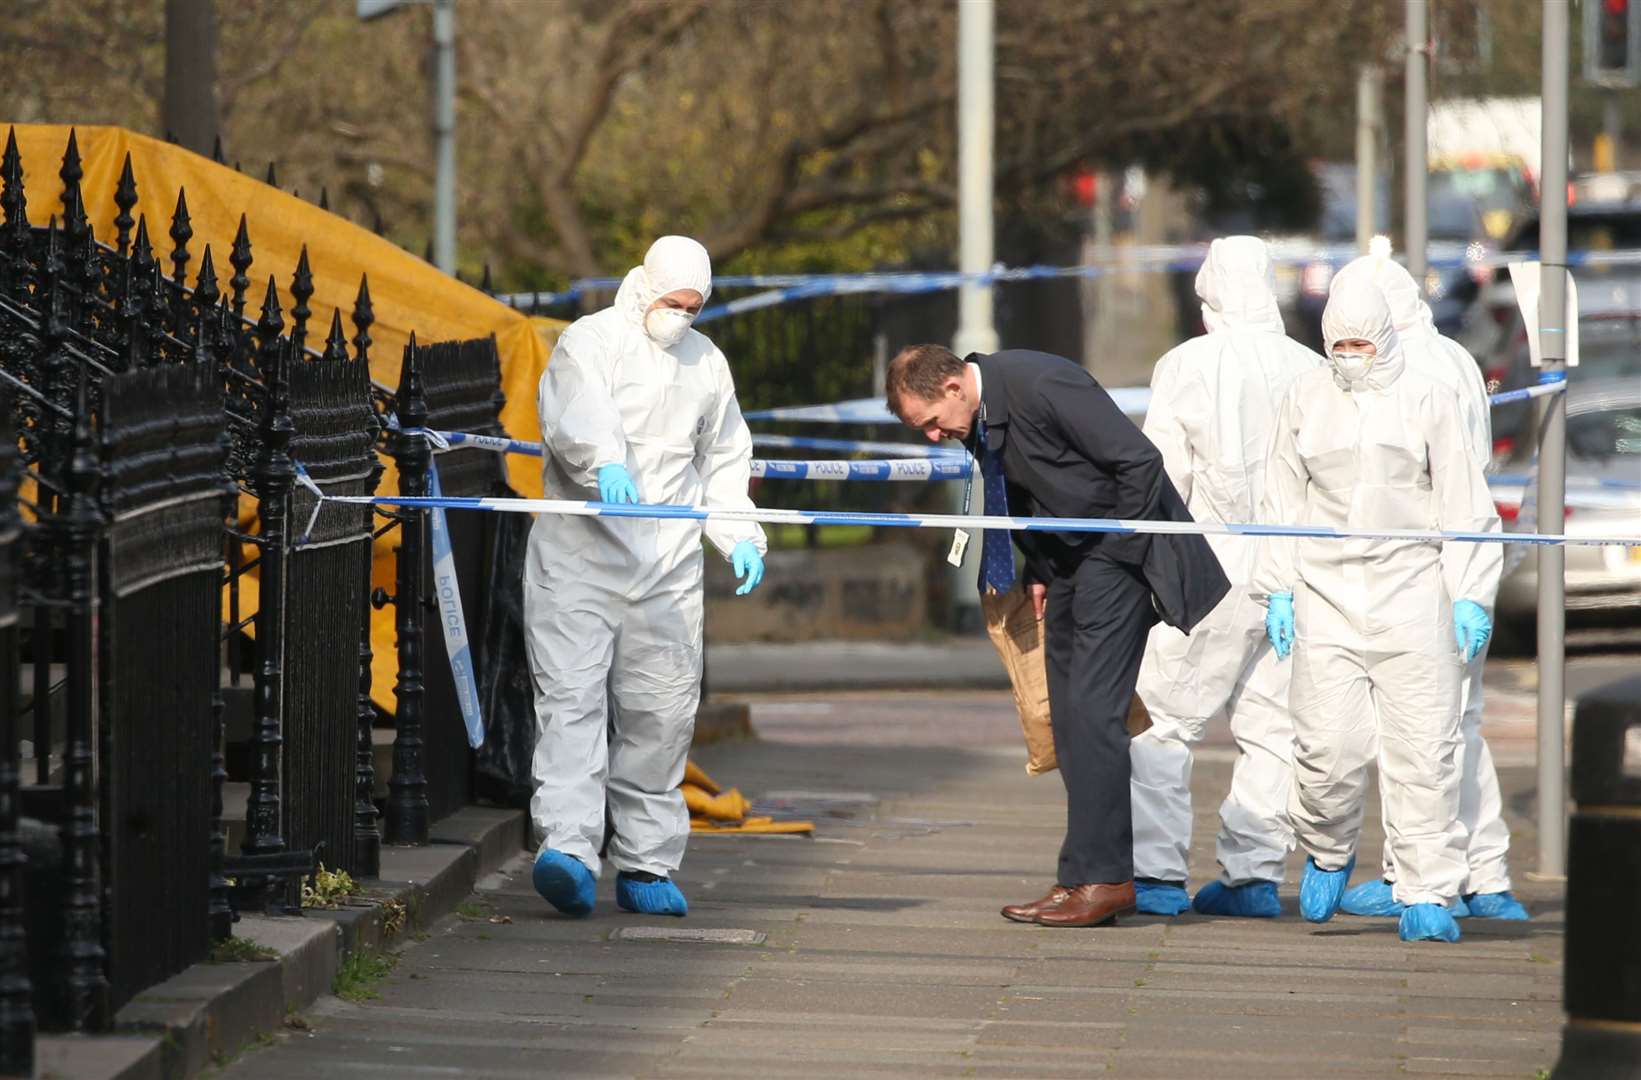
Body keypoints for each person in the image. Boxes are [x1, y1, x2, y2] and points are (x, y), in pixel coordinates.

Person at [886, 344, 1228, 928]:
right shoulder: (978, 411)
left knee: (1095, 714)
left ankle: (1108, 880)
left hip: (1113, 556)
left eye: (931, 424)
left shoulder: (1041, 383)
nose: (934, 438)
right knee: (1068, 718)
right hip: (1068, 563)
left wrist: (1118, 554)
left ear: (951, 389)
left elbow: (1138, 461)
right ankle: (1080, 877)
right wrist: (1041, 568)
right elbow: (1023, 492)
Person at [523, 236, 767, 919]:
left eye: (693, 307)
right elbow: (574, 412)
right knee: (571, 704)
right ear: (643, 287)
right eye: (672, 303)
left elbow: (723, 457)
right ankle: (568, 850)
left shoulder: (705, 363)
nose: (681, 316)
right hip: (580, 560)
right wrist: (603, 461)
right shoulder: (589, 341)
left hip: (665, 565)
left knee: (660, 715)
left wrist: (739, 536)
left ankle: (645, 862)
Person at [1254, 274, 1502, 944]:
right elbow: (1280, 501)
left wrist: (1469, 593)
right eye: (1338, 344)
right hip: (1325, 595)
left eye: (1361, 341)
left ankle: (1424, 891)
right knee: (1324, 747)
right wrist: (1277, 586)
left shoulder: (1428, 399)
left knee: (1424, 751)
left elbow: (1462, 504)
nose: (1350, 354)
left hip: (1412, 592)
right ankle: (1328, 848)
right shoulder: (1304, 398)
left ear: (1386, 338)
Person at [1327, 252, 1526, 923]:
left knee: (1413, 738)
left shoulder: (1401, 372)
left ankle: (1410, 875)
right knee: (1456, 728)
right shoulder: (1455, 357)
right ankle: (1484, 875)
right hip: (1465, 566)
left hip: (1417, 576)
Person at [1128, 237, 1323, 918]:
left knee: (1162, 721)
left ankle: (1154, 876)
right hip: (1291, 573)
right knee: (1272, 728)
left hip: (1203, 567)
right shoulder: (1310, 367)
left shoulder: (1185, 363)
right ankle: (1253, 877)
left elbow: (1162, 475)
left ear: (1208, 292)